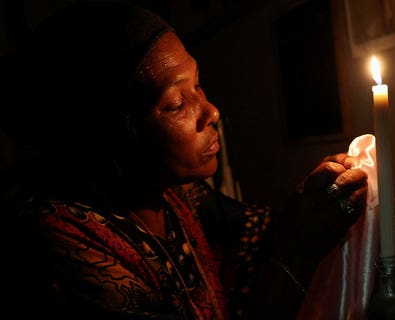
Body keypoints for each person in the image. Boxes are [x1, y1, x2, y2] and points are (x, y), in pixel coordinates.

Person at [2, 1, 368, 319]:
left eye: (198, 84)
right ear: (108, 133)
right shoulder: (63, 246)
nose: (211, 111)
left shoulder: (174, 195)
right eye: (177, 103)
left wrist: (311, 202)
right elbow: (286, 251)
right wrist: (298, 251)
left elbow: (253, 232)